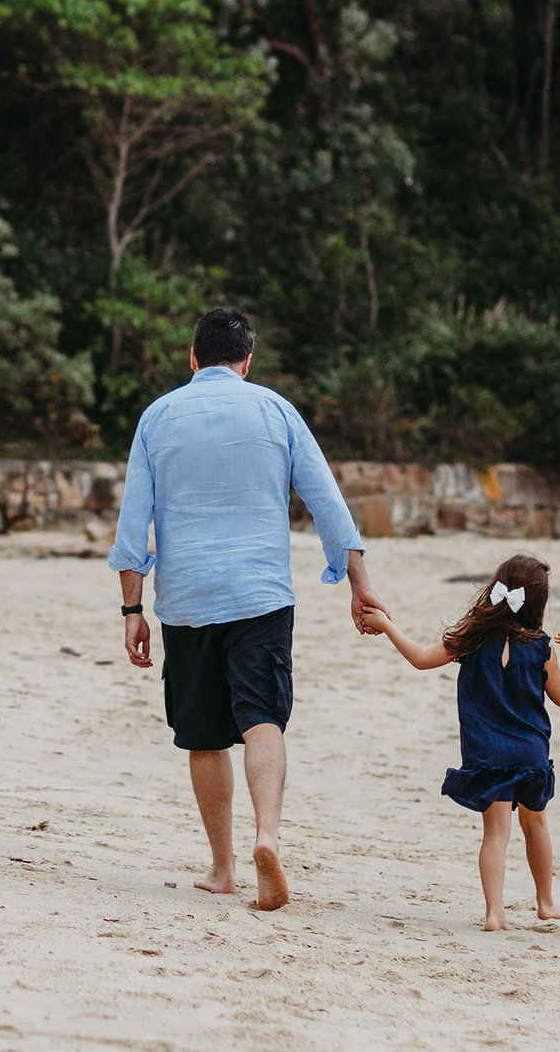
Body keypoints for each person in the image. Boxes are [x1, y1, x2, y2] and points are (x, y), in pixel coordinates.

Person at [108, 306, 386, 911]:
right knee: (263, 718)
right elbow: (327, 502)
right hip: (260, 595)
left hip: (185, 601)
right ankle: (268, 836)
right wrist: (358, 583)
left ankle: (223, 868)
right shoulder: (274, 410)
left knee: (204, 736)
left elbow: (134, 524)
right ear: (247, 361)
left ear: (193, 358)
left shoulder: (158, 417)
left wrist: (132, 607)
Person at [364, 553, 560, 930]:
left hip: (487, 750)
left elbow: (421, 659)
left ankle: (494, 912)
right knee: (535, 825)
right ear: (538, 603)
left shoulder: (471, 639)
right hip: (530, 750)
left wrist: (388, 626)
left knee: (496, 832)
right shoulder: (541, 648)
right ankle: (546, 902)